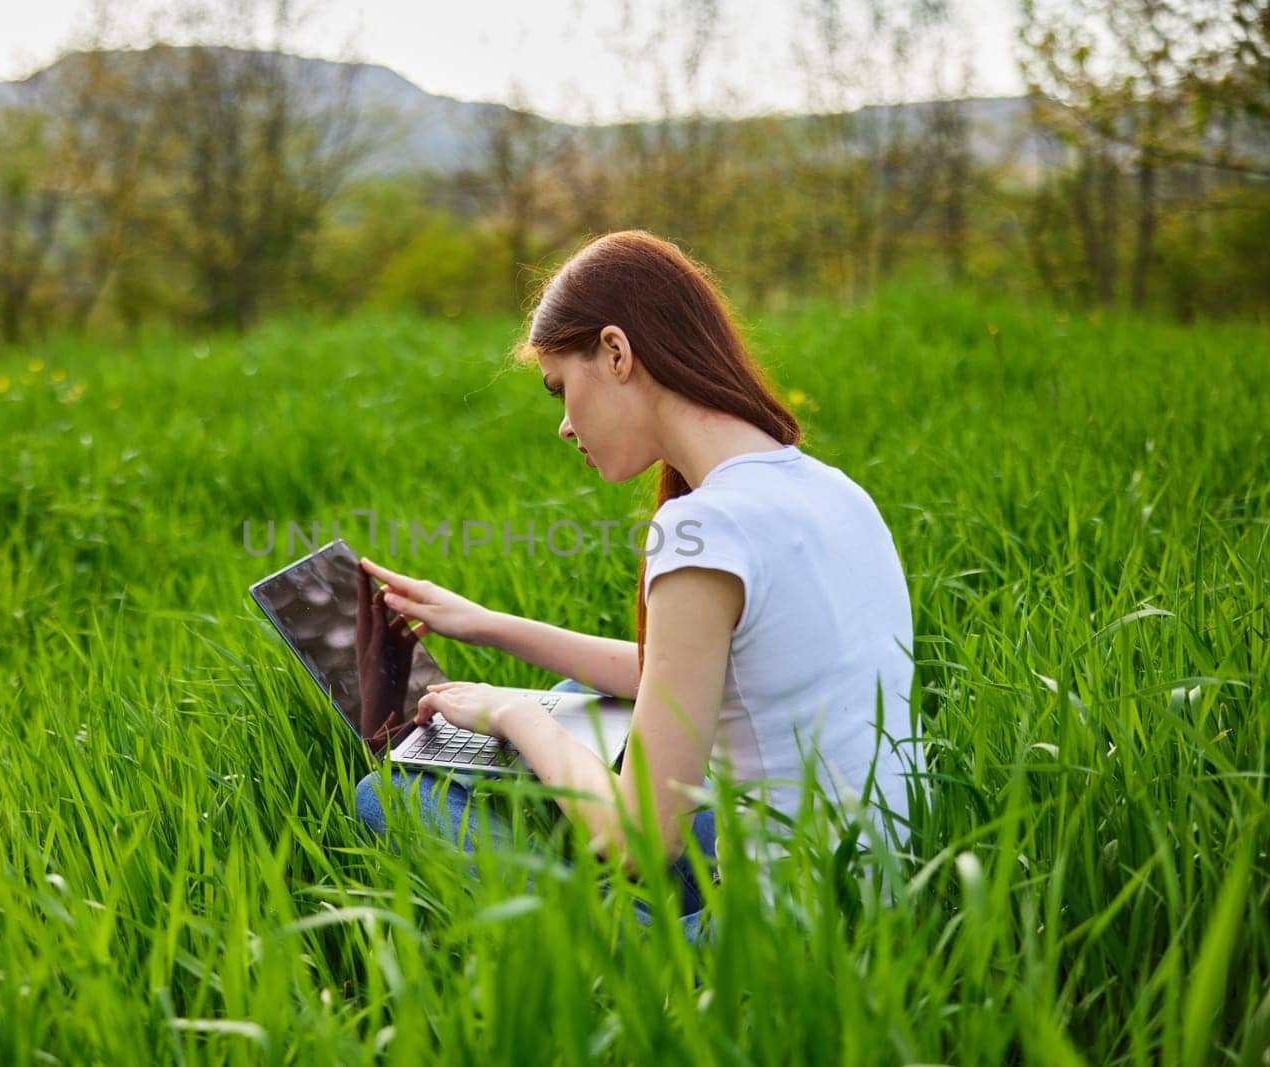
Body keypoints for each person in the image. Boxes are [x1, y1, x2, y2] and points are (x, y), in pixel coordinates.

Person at [353, 229, 921, 942]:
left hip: (781, 948)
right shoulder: (827, 488)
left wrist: (511, 718)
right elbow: (693, 673)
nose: (563, 426)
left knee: (391, 799)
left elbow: (644, 843)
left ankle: (569, 930)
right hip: (880, 888)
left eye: (561, 388)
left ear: (617, 353)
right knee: (574, 702)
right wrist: (486, 621)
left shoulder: (706, 527)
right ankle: (573, 854)